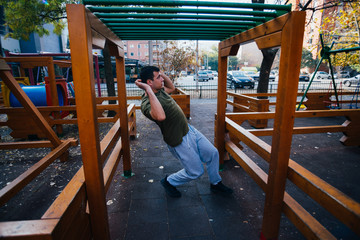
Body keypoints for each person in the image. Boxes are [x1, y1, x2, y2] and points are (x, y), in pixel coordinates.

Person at [135, 66, 232, 198]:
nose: (162, 78)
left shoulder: (160, 90)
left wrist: (160, 74)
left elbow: (172, 88)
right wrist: (147, 89)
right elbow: (160, 116)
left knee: (213, 153)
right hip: (178, 140)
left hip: (189, 130)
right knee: (195, 171)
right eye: (158, 77)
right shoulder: (146, 104)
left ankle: (215, 183)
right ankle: (169, 181)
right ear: (149, 82)